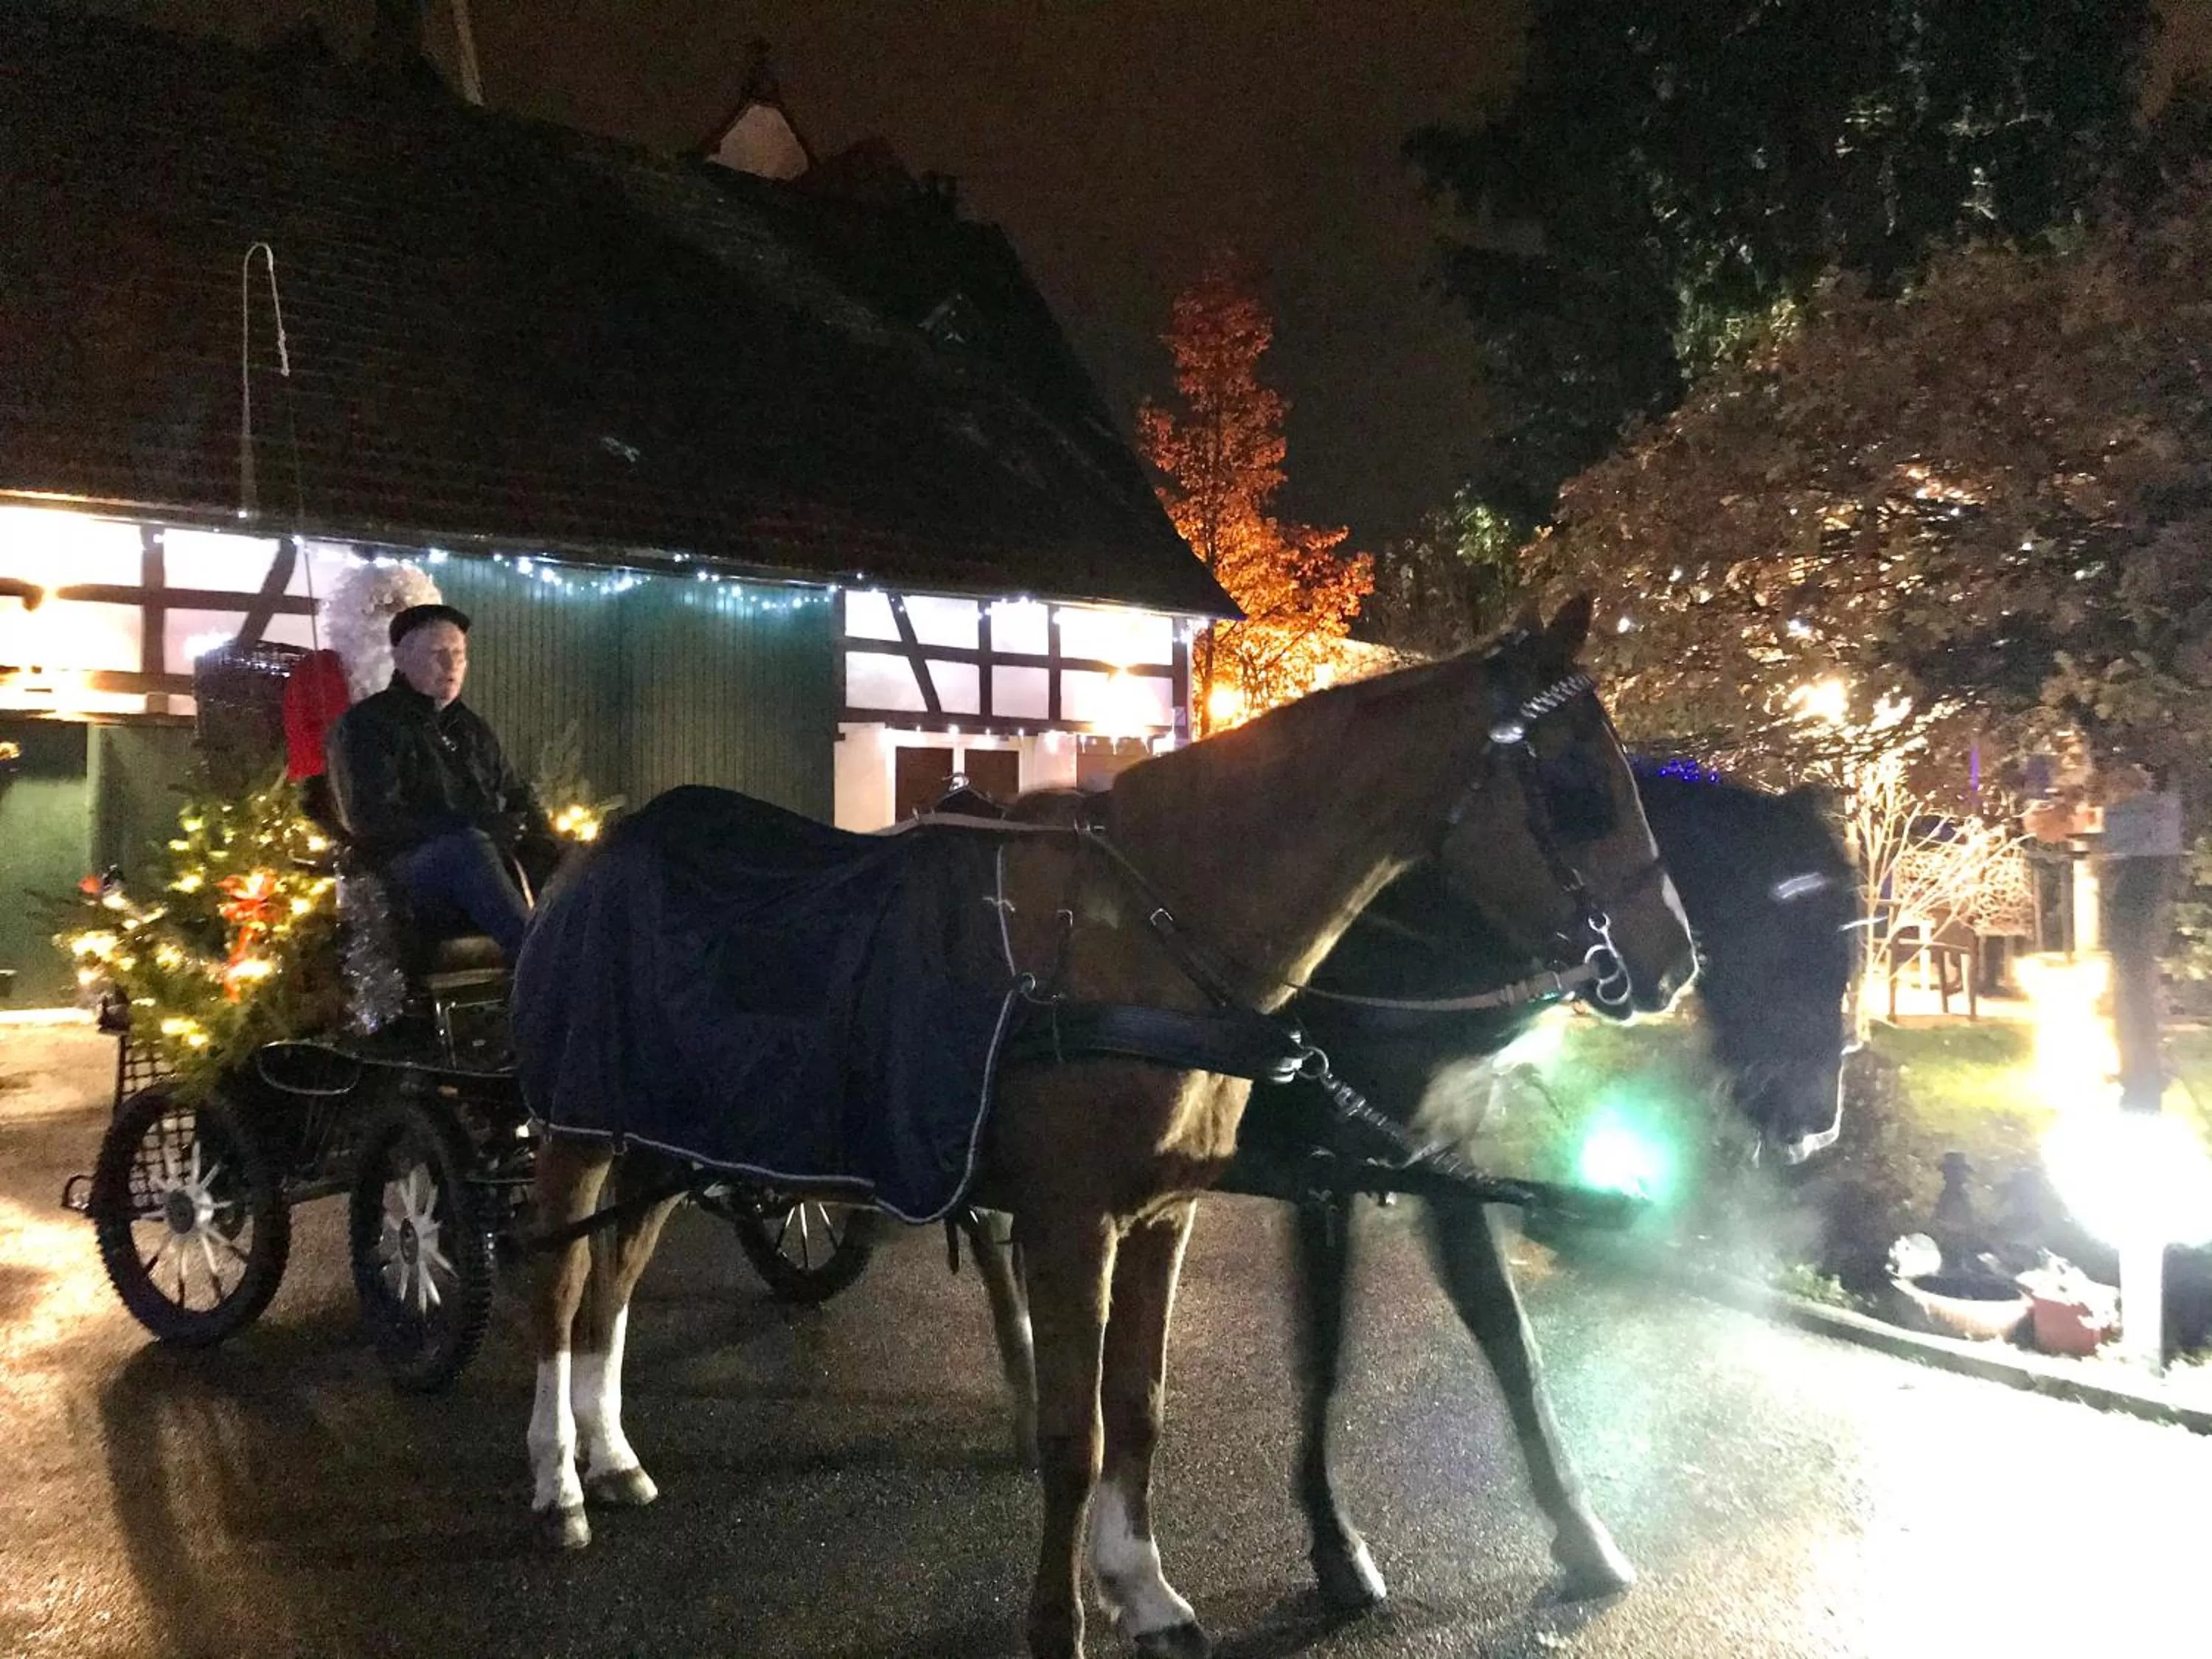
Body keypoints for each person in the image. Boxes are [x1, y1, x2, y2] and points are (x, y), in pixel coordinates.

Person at [326, 603, 550, 961]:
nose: (451, 666)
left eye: (459, 655)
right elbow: (370, 821)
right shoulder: (366, 726)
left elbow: (516, 791)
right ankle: (546, 967)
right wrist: (475, 827)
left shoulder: (473, 730)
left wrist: (544, 837)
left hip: (483, 864)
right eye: (437, 654)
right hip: (407, 878)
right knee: (466, 849)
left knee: (569, 856)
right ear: (401, 658)